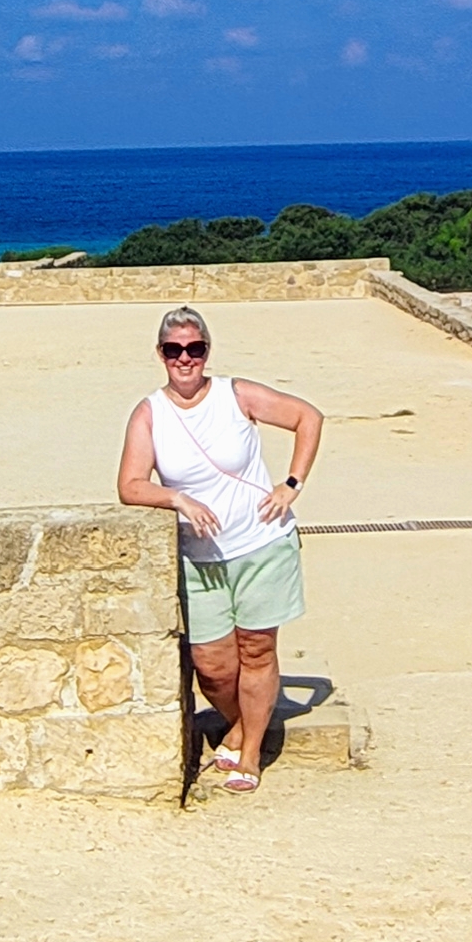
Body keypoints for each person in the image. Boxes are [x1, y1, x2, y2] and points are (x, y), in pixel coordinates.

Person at [114, 305, 323, 794]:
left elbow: (307, 417)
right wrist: (177, 498)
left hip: (260, 543)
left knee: (256, 648)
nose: (185, 359)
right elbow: (129, 485)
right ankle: (245, 723)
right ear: (160, 355)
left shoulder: (236, 394)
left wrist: (290, 484)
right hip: (201, 555)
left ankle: (249, 750)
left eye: (195, 349)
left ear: (207, 351)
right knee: (212, 664)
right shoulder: (150, 414)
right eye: (174, 350)